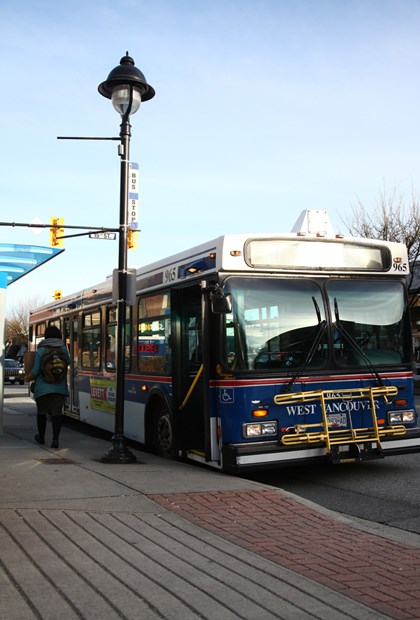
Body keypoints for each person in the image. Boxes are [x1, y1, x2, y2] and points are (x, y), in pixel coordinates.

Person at [26, 325, 71, 449]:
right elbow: (69, 362)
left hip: (42, 389)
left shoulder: (41, 350)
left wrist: (27, 378)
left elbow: (35, 372)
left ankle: (41, 437)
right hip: (60, 388)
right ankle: (55, 440)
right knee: (57, 414)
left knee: (42, 413)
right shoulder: (63, 349)